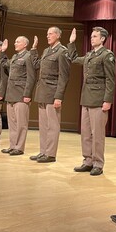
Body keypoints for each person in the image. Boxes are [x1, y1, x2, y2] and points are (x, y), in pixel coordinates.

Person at [67, 27, 115, 176]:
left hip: (99, 100)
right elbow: (74, 59)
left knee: (97, 134)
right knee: (86, 133)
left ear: (102, 39)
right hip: (86, 99)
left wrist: (107, 100)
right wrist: (71, 43)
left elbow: (110, 79)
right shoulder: (89, 55)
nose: (91, 38)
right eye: (91, 36)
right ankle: (87, 161)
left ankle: (98, 163)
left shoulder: (106, 55)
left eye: (95, 36)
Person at [30, 27, 71, 163]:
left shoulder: (62, 52)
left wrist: (59, 96)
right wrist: (34, 49)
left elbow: (63, 77)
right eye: (47, 34)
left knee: (53, 125)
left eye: (50, 34)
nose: (47, 36)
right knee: (43, 125)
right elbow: (37, 66)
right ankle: (43, 151)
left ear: (58, 35)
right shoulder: (47, 51)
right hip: (42, 92)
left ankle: (51, 154)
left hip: (53, 93)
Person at [0, 36, 36, 156]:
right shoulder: (15, 57)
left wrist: (27, 94)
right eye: (15, 41)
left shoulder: (28, 56)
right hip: (11, 94)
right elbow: (5, 65)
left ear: (25, 44)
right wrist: (3, 52)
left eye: (17, 42)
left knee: (21, 123)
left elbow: (31, 77)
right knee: (12, 123)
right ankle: (12, 145)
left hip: (21, 94)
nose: (15, 43)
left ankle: (19, 147)